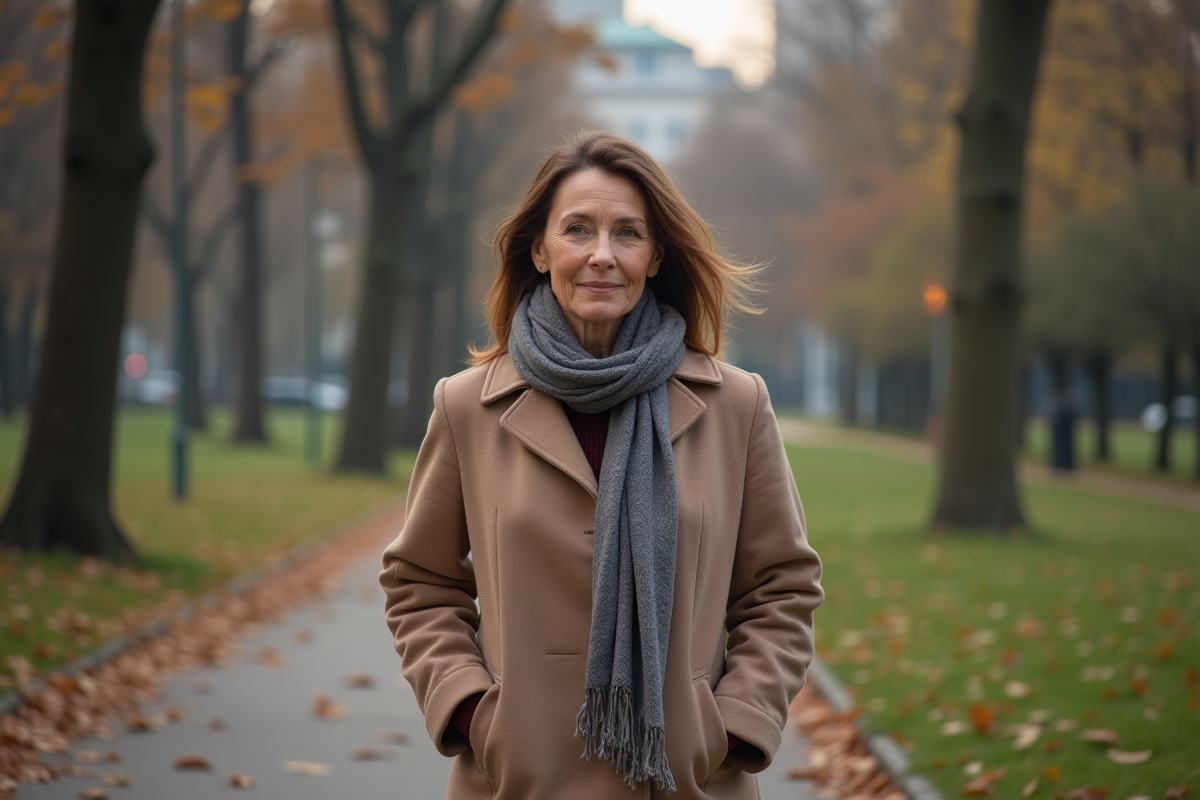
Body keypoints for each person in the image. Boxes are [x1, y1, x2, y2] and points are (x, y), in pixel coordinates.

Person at [379, 131, 823, 799]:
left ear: (655, 254)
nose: (601, 256)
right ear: (539, 248)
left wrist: (730, 724)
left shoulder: (735, 405)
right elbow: (419, 581)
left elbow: (781, 588)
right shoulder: (467, 407)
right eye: (578, 229)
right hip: (518, 782)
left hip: (684, 782)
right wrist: (473, 711)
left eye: (627, 234)